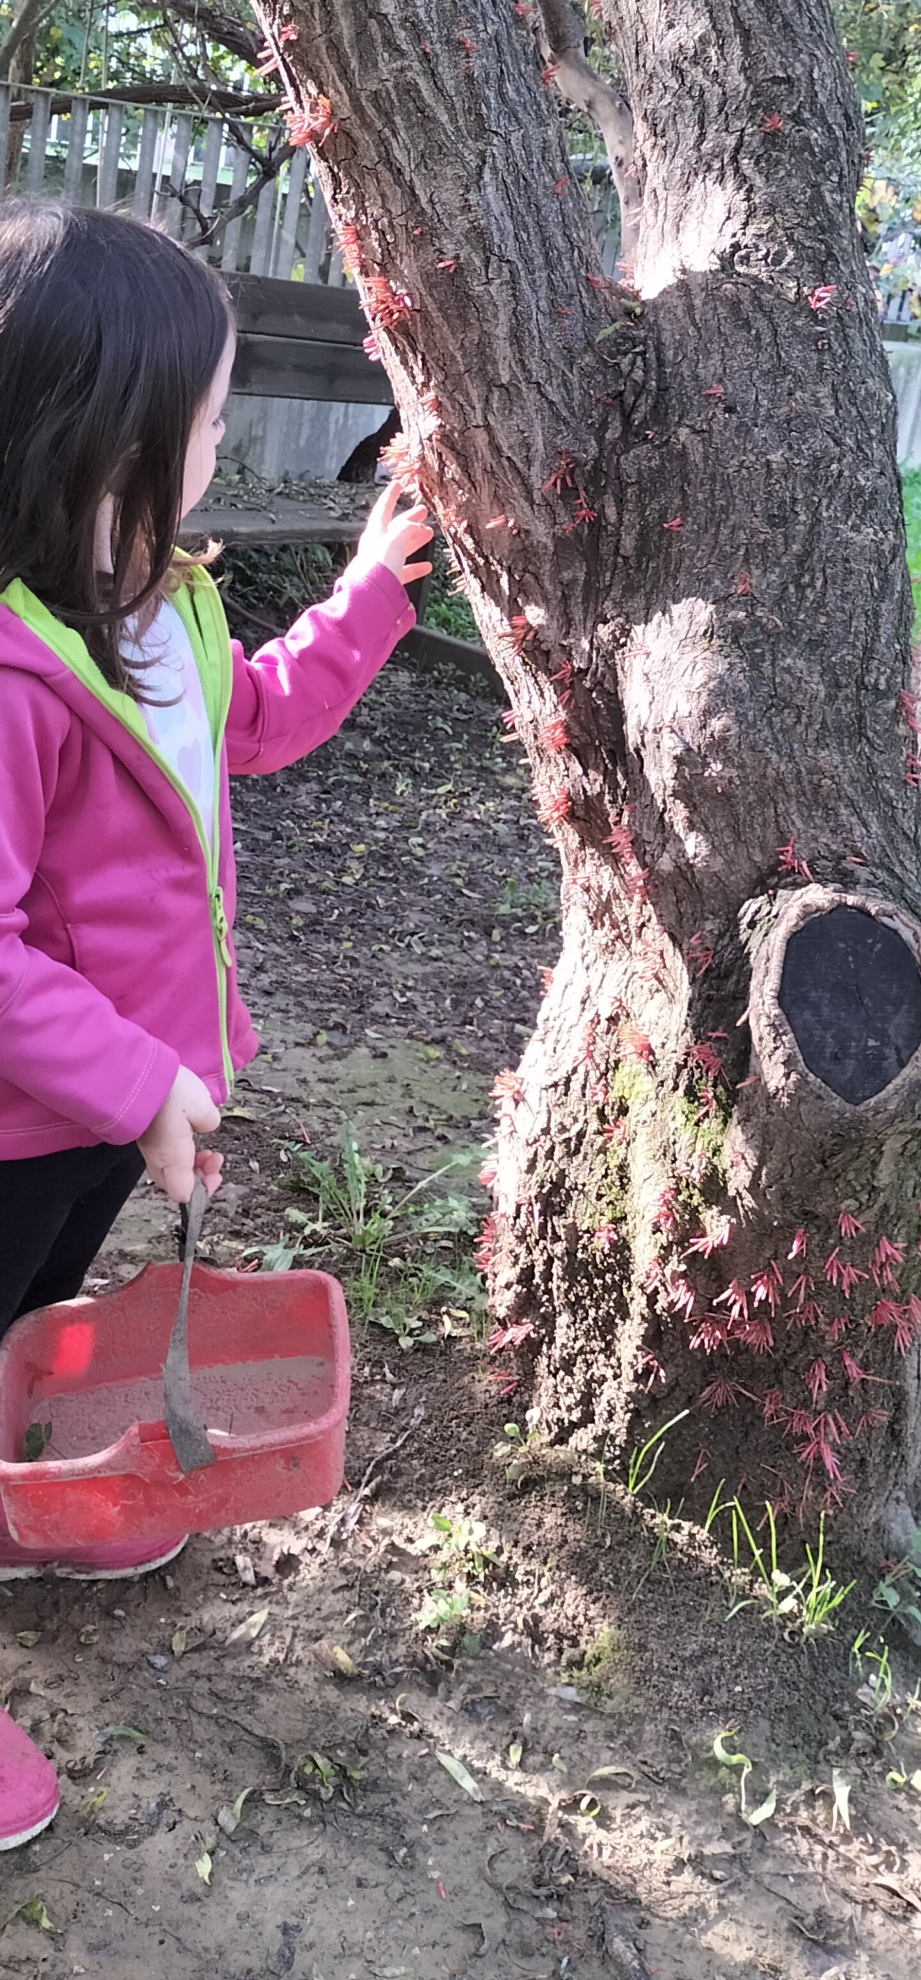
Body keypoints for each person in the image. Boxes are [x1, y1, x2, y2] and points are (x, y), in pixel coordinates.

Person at [0, 202, 432, 1846]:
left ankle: (21, 1500)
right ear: (110, 447)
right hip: (32, 1115)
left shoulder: (162, 610)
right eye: (209, 420)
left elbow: (247, 726)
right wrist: (137, 1080)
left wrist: (370, 594)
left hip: (108, 1113)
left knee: (36, 1327)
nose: (225, 444)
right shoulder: (15, 678)